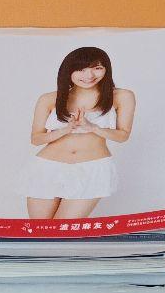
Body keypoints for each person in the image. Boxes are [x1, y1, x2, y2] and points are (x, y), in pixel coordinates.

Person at [27, 46, 134, 220]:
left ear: (106, 69)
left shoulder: (122, 96)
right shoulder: (49, 98)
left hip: (92, 168)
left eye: (97, 68)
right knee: (40, 230)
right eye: (81, 69)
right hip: (47, 167)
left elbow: (123, 135)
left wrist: (93, 128)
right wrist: (65, 130)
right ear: (68, 71)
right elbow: (36, 139)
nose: (89, 75)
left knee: (64, 229)